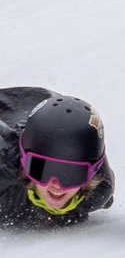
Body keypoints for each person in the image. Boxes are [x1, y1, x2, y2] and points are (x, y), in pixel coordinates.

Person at [0, 89, 114, 229]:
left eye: (71, 174)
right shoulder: (4, 168)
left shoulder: (99, 193)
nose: (57, 185)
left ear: (91, 177)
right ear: (24, 163)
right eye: (44, 170)